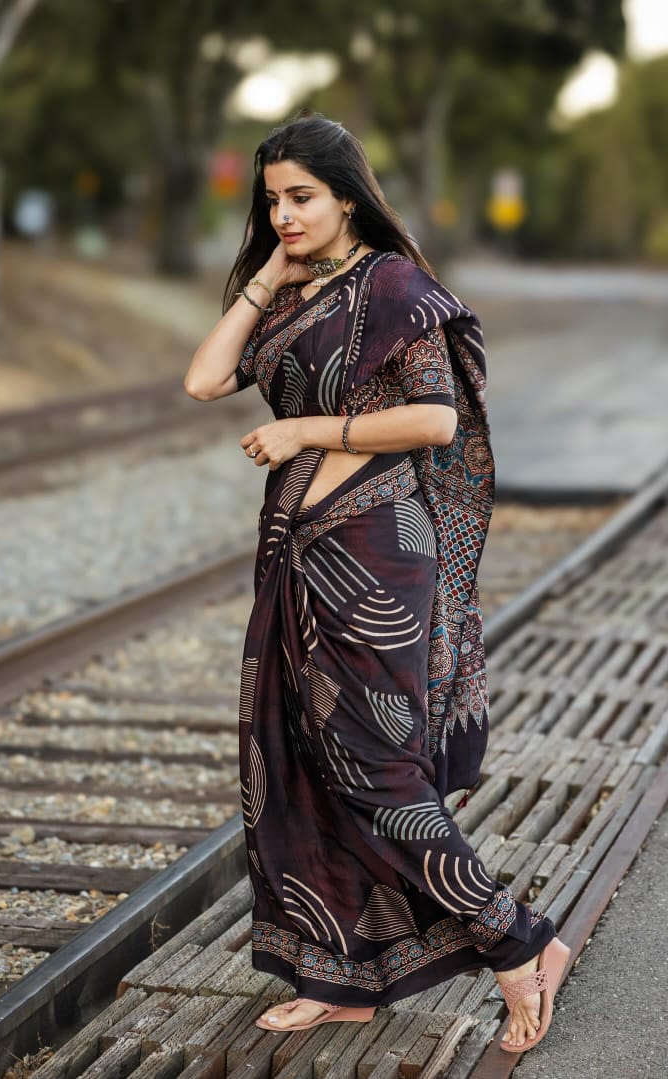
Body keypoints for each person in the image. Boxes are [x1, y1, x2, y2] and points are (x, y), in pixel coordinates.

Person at [184, 113, 570, 1054]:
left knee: (377, 769)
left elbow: (434, 419)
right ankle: (344, 978)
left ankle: (522, 942)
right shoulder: (291, 290)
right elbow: (203, 378)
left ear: (347, 195)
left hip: (377, 556)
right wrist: (269, 274)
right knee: (306, 762)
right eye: (271, 199)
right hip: (301, 551)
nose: (282, 213)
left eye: (301, 198)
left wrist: (307, 431)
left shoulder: (395, 287)